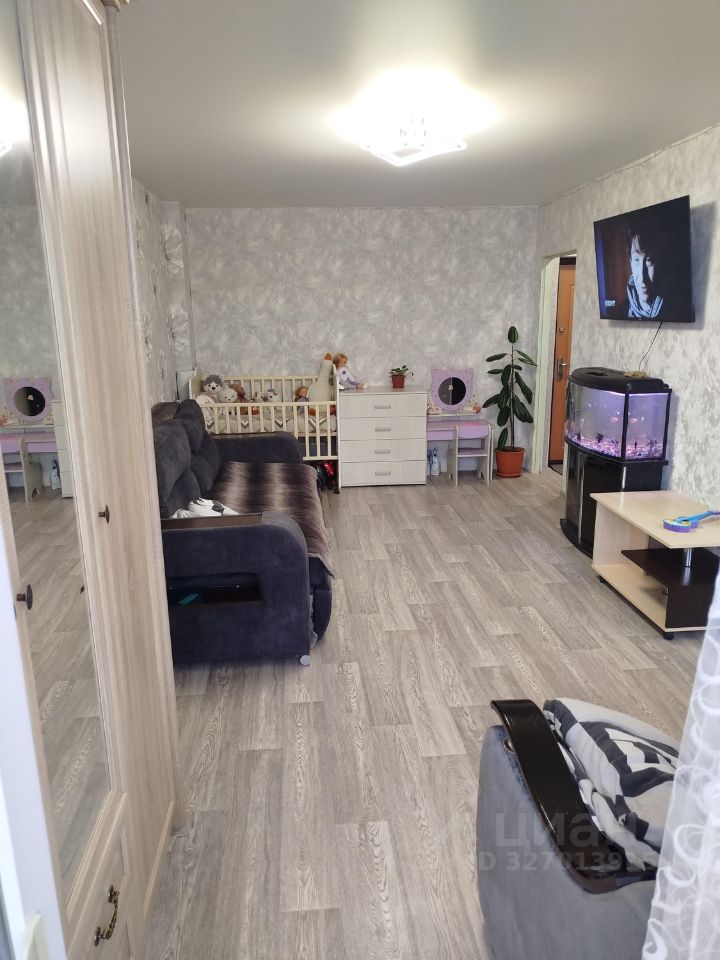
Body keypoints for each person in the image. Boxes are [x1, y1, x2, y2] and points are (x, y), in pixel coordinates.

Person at [620, 221, 665, 319]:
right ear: (631, 262)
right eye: (636, 260)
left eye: (649, 260)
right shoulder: (620, 311)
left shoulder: (673, 310)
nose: (642, 278)